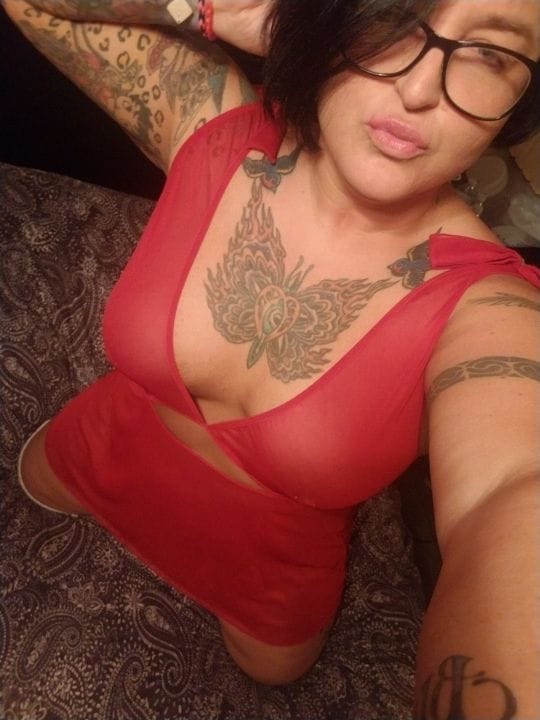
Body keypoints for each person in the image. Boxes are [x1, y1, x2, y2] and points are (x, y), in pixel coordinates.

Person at [3, 0, 539, 712]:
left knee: (273, 675)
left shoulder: (490, 306)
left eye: (490, 54)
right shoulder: (213, 124)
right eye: (392, 14)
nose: (418, 89)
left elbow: (511, 491)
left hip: (270, 571)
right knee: (31, 488)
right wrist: (219, 10)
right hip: (98, 450)